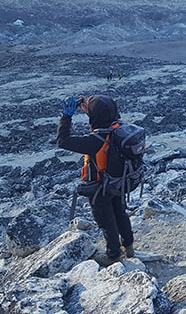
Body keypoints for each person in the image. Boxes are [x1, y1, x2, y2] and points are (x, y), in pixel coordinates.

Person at [56, 94, 134, 266]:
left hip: (100, 188)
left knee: (107, 221)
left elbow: (63, 141)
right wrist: (90, 111)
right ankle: (129, 246)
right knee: (120, 214)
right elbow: (103, 118)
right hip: (119, 183)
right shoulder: (120, 129)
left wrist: (66, 116)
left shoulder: (94, 141)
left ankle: (113, 255)